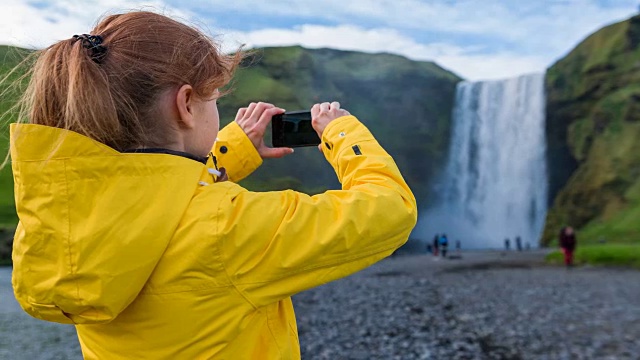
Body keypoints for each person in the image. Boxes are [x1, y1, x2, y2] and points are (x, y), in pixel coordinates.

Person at [6, 11, 417, 359]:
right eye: (215, 97)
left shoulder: (64, 213)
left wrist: (233, 148)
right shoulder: (227, 228)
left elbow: (153, 194)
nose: (217, 109)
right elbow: (389, 209)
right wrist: (343, 133)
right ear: (185, 105)